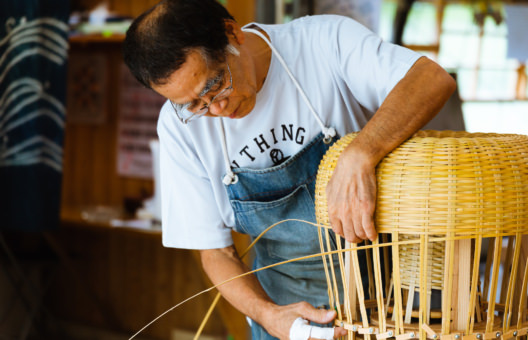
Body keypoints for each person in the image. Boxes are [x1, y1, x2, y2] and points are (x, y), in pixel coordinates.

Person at [122, 0, 456, 339]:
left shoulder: (322, 42)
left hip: (387, 302)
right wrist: (269, 316)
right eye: (193, 104)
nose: (216, 109)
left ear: (231, 33)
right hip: (287, 316)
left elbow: (430, 79)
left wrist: (361, 152)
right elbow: (215, 251)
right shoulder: (178, 128)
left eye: (214, 84)